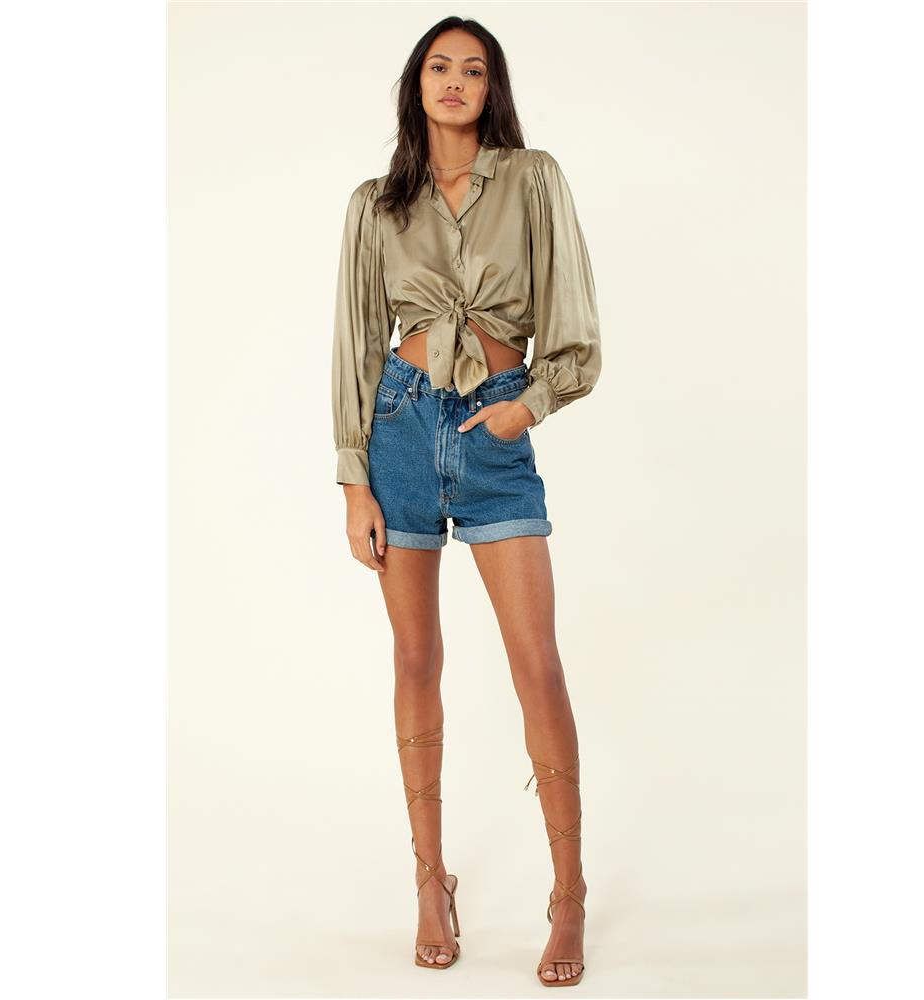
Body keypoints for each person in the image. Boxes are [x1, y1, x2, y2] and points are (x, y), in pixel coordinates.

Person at [330, 15, 601, 988]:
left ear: (492, 88)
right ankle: (429, 882)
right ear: (417, 84)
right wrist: (354, 479)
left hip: (493, 429)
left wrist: (527, 407)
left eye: (473, 69)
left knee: (538, 664)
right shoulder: (376, 203)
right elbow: (354, 341)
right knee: (415, 658)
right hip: (400, 429)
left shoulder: (533, 179)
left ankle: (567, 893)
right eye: (439, 67)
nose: (454, 81)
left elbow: (574, 326)